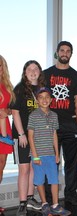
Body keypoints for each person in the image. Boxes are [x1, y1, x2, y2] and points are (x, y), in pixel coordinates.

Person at [44, 41, 77, 205]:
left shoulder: (76, 76)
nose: (65, 53)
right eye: (62, 50)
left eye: (68, 51)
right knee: (50, 163)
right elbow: (40, 99)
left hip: (70, 125)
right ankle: (48, 199)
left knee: (71, 164)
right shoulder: (46, 74)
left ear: (71, 54)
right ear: (57, 52)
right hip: (50, 126)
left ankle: (71, 196)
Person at [27, 87, 71, 215]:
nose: (44, 100)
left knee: (54, 180)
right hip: (38, 155)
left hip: (51, 155)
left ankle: (56, 204)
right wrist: (35, 155)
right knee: (40, 180)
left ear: (51, 99)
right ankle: (45, 203)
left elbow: (54, 135)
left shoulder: (54, 115)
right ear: (37, 101)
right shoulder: (33, 115)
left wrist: (57, 153)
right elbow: (30, 136)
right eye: (41, 97)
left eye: (47, 97)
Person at [11, 60, 44, 215]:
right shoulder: (19, 89)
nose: (32, 71)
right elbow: (15, 112)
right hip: (23, 136)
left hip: (37, 136)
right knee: (24, 169)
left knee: (33, 167)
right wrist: (21, 134)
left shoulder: (42, 90)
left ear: (39, 72)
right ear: (25, 73)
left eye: (35, 69)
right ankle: (22, 202)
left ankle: (30, 198)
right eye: (29, 69)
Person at [0, 55, 15, 214]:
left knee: (2, 165)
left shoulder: (7, 85)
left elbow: (10, 107)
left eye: (0, 66)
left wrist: (8, 111)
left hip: (5, 128)